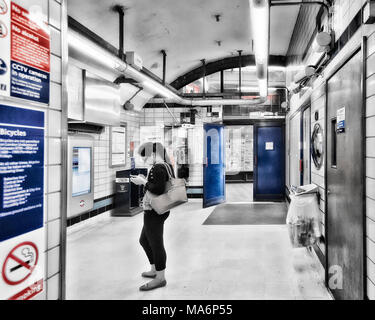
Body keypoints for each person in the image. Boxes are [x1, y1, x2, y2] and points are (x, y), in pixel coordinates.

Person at [130, 142, 174, 291]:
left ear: (154, 154)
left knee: (156, 243)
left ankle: (160, 278)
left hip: (155, 211)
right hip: (159, 210)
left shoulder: (158, 167)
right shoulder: (166, 165)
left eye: (145, 157)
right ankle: (155, 269)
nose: (144, 160)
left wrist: (143, 182)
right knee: (144, 240)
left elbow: (158, 189)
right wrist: (147, 181)